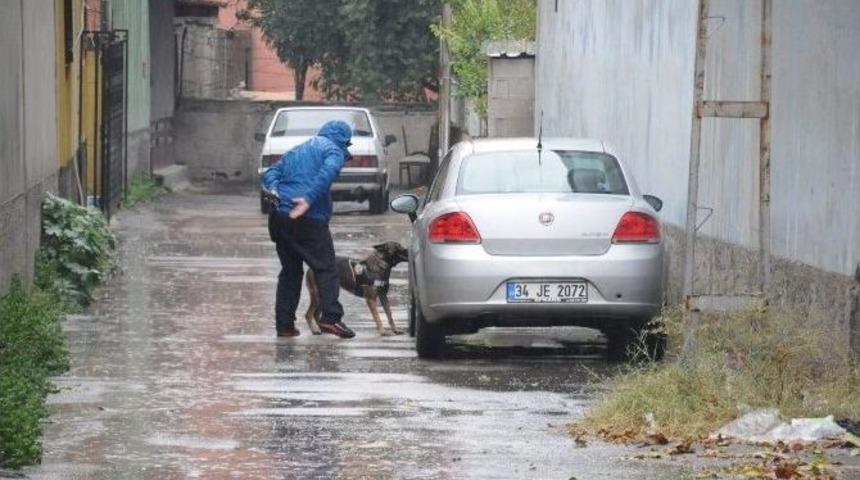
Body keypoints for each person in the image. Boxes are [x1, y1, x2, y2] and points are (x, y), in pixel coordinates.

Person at [262, 120, 355, 339]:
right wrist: (308, 199)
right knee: (326, 268)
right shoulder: (333, 150)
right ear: (343, 140)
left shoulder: (298, 149)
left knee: (290, 272)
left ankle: (284, 326)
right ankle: (331, 318)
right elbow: (328, 172)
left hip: (280, 217)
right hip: (307, 217)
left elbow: (271, 173)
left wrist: (275, 189)